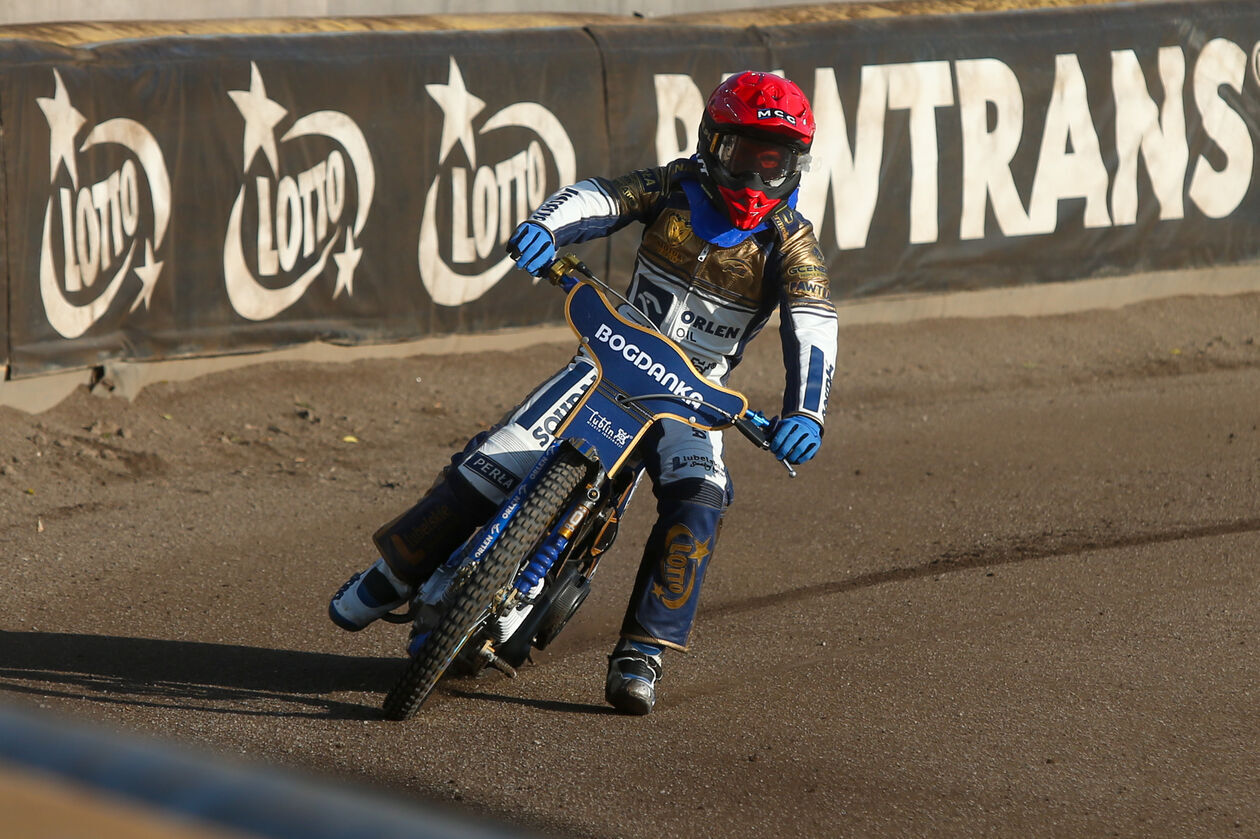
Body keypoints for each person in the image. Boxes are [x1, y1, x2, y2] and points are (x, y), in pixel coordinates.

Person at [330, 71, 837, 716]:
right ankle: (395, 571)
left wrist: (807, 412)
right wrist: (547, 226)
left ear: (797, 166)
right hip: (607, 361)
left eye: (775, 163)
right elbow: (601, 196)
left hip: (693, 397)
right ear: (712, 143)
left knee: (701, 496)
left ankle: (643, 651)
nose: (756, 178)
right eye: (743, 156)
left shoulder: (792, 243)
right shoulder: (674, 185)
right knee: (500, 455)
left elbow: (814, 324)